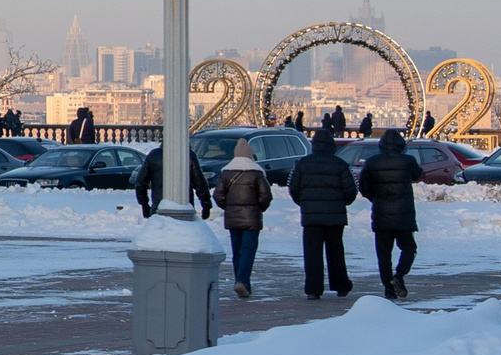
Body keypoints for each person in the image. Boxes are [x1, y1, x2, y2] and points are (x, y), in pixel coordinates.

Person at [286, 125, 358, 298]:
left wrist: (305, 204)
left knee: (312, 253)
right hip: (335, 217)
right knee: (336, 251)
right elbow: (351, 190)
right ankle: (341, 285)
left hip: (311, 217)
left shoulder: (303, 164)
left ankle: (313, 289)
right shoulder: (340, 164)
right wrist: (341, 203)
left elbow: (293, 188)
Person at [358, 128, 422, 299]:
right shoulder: (408, 161)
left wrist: (375, 199)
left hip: (381, 214)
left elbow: (363, 186)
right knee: (409, 248)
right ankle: (399, 275)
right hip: (404, 214)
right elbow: (417, 174)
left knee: (384, 254)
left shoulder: (372, 162)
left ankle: (388, 288)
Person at [214, 138, 272, 298]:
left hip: (233, 218)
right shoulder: (257, 173)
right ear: (250, 155)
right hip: (252, 219)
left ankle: (241, 282)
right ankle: (242, 281)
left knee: (237, 251)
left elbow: (218, 195)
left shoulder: (226, 173)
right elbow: (266, 195)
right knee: (248, 250)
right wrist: (259, 208)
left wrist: (228, 207)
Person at [132, 141, 213, 220]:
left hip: (159, 206)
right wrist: (206, 204)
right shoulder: (189, 155)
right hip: (184, 208)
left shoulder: (154, 155)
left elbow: (140, 182)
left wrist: (144, 204)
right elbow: (200, 183)